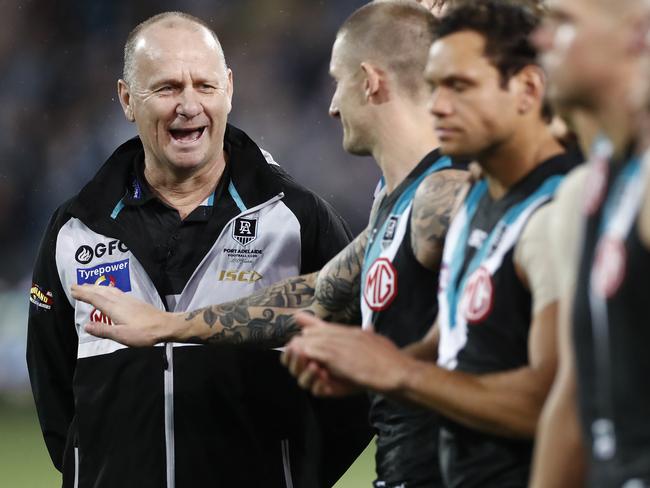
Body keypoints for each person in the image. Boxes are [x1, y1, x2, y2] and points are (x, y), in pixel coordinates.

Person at [71, 2, 470, 486]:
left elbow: (524, 364)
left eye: (338, 81)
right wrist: (170, 325)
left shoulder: (451, 195)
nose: (332, 104)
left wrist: (394, 374)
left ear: (369, 80)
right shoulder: (396, 201)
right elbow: (320, 292)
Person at [26, 11, 370, 488]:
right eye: (167, 88)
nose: (188, 105)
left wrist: (295, 474)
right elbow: (54, 390)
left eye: (204, 86)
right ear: (127, 99)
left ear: (229, 88)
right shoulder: (76, 229)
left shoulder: (294, 220)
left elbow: (361, 372)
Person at [281, 2, 580, 486]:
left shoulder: (555, 210)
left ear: (528, 88)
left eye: (458, 86)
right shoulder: (478, 204)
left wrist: (400, 373)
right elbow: (451, 347)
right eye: (436, 85)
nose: (436, 104)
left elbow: (554, 403)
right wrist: (370, 365)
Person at [529, 0, 650, 486]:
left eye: (563, 22)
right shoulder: (599, 180)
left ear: (638, 32)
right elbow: (577, 393)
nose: (540, 40)